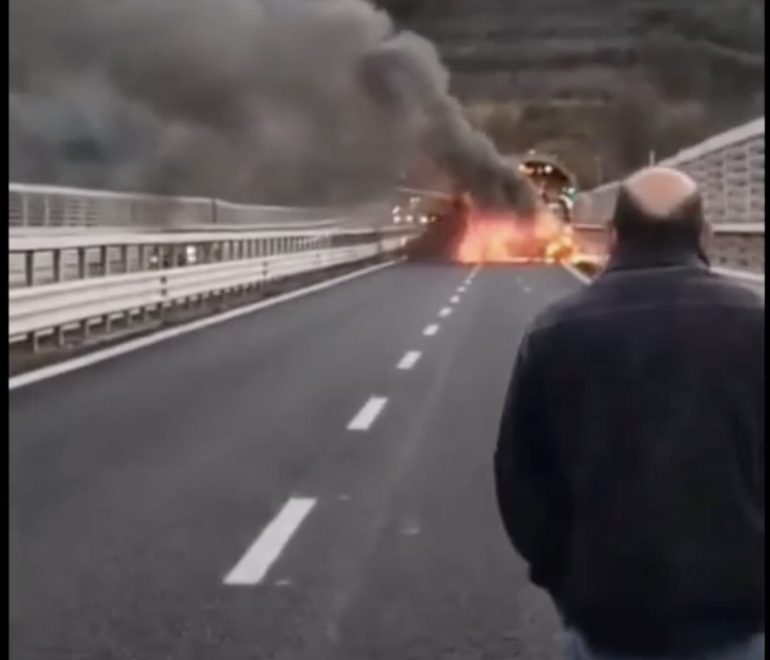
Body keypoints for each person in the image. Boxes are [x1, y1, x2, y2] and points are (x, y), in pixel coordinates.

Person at [494, 166, 764, 659]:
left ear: (613, 236)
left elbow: (521, 482)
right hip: (739, 616)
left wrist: (567, 579)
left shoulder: (555, 332)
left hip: (607, 620)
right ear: (705, 235)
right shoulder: (756, 326)